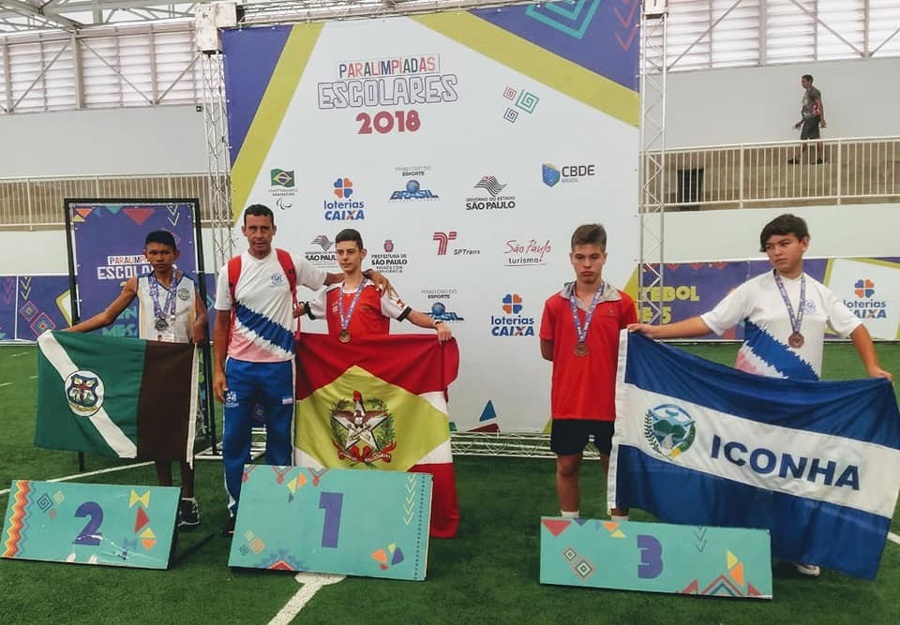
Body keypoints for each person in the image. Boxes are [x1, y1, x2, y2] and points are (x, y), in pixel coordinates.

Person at [629, 213, 892, 577]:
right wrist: (656, 332)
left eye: (784, 244)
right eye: (770, 247)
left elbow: (856, 327)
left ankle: (795, 549)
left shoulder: (821, 294)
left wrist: (872, 367)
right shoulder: (752, 290)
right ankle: (730, 541)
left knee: (794, 478)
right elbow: (711, 322)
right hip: (751, 402)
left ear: (804, 243)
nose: (776, 252)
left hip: (801, 405)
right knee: (740, 472)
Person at [213, 205, 389, 536]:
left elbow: (334, 278)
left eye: (265, 228)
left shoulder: (290, 263)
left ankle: (281, 506)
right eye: (253, 229)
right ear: (244, 231)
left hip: (280, 368)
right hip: (240, 369)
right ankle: (238, 510)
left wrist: (368, 274)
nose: (259, 235)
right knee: (236, 441)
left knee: (280, 441)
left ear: (274, 230)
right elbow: (221, 323)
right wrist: (218, 371)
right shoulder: (230, 270)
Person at [67, 230, 207, 529]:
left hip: (182, 367)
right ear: (145, 255)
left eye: (165, 252)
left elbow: (203, 315)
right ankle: (166, 497)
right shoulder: (138, 283)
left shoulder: (187, 284)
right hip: (152, 367)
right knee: (158, 437)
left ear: (176, 254)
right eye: (153, 253)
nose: (159, 258)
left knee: (184, 438)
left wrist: (200, 322)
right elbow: (107, 317)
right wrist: (66, 334)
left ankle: (189, 499)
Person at [539, 224, 637, 522]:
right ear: (571, 258)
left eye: (594, 257)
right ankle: (570, 529)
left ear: (604, 257)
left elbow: (632, 353)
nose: (587, 265)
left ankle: (619, 532)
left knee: (614, 470)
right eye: (580, 257)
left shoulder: (622, 304)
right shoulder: (555, 305)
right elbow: (548, 351)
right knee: (567, 466)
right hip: (570, 402)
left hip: (612, 404)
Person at [301, 228, 453, 342]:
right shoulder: (330, 293)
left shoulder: (378, 290)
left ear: (363, 253)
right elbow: (300, 311)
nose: (345, 257)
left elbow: (411, 315)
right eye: (340, 253)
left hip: (372, 370)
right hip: (341, 372)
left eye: (351, 252)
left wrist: (438, 324)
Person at [789, 74, 826, 164]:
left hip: (812, 119)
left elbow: (819, 105)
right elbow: (807, 108)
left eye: (804, 81)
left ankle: (797, 158)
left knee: (804, 138)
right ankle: (820, 158)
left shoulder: (813, 92)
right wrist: (801, 121)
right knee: (815, 138)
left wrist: (822, 119)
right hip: (808, 119)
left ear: (810, 81)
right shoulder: (808, 92)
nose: (802, 83)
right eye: (802, 82)